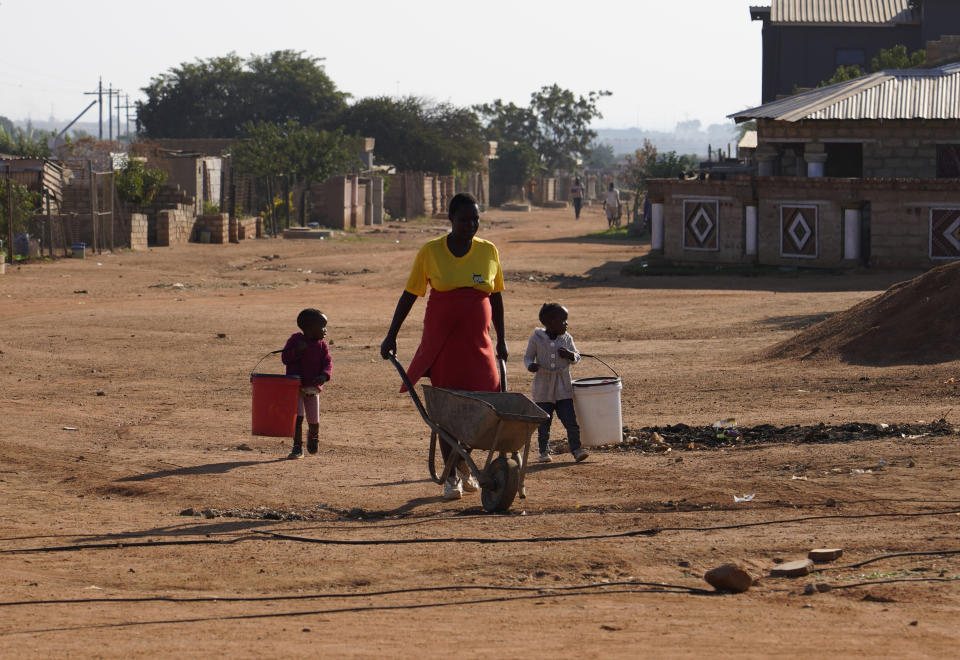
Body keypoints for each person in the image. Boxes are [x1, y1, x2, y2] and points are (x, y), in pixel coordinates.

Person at [381, 192, 509, 500]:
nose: (470, 225)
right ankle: (452, 475)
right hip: (444, 343)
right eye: (464, 219)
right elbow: (410, 294)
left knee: (481, 408)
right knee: (448, 410)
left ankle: (464, 467)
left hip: (478, 344)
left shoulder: (488, 251)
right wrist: (391, 334)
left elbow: (496, 296)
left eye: (475, 219)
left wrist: (502, 340)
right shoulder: (431, 252)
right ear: (450, 220)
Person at [524, 303, 589, 463]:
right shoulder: (536, 338)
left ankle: (576, 449)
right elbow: (527, 357)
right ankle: (544, 452)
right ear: (550, 322)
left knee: (570, 420)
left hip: (563, 386)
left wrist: (570, 355)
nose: (566, 324)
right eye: (563, 320)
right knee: (544, 422)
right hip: (543, 387)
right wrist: (530, 366)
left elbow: (577, 357)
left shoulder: (567, 338)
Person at [281, 308, 332, 459]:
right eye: (322, 326)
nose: (325, 330)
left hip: (312, 388)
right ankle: (297, 447)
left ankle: (313, 436)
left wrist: (324, 375)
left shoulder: (322, 346)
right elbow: (285, 358)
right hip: (295, 387)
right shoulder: (296, 340)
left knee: (314, 420)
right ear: (310, 328)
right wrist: (297, 351)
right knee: (297, 418)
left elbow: (328, 363)